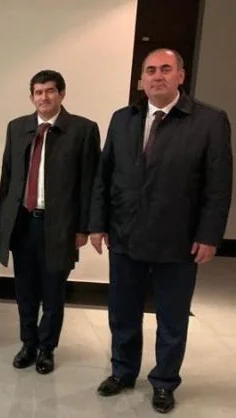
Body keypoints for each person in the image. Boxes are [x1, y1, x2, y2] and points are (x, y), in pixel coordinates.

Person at [89, 48, 232, 414]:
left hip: (178, 240)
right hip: (125, 234)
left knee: (171, 317)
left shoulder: (209, 121)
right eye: (150, 70)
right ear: (142, 79)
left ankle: (165, 381)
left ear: (181, 76)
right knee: (122, 312)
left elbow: (218, 186)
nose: (157, 76)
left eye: (166, 69)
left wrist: (209, 235)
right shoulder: (123, 119)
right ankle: (123, 372)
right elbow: (104, 176)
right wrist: (98, 224)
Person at [0, 70, 101, 374]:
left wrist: (84, 227)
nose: (44, 97)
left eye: (50, 91)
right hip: (23, 223)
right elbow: (8, 176)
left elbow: (90, 182)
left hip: (60, 226)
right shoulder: (17, 127)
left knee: (53, 292)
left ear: (62, 94)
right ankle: (28, 343)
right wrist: (3, 219)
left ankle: (46, 348)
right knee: (25, 290)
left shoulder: (83, 130)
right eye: (38, 92)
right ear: (32, 97)